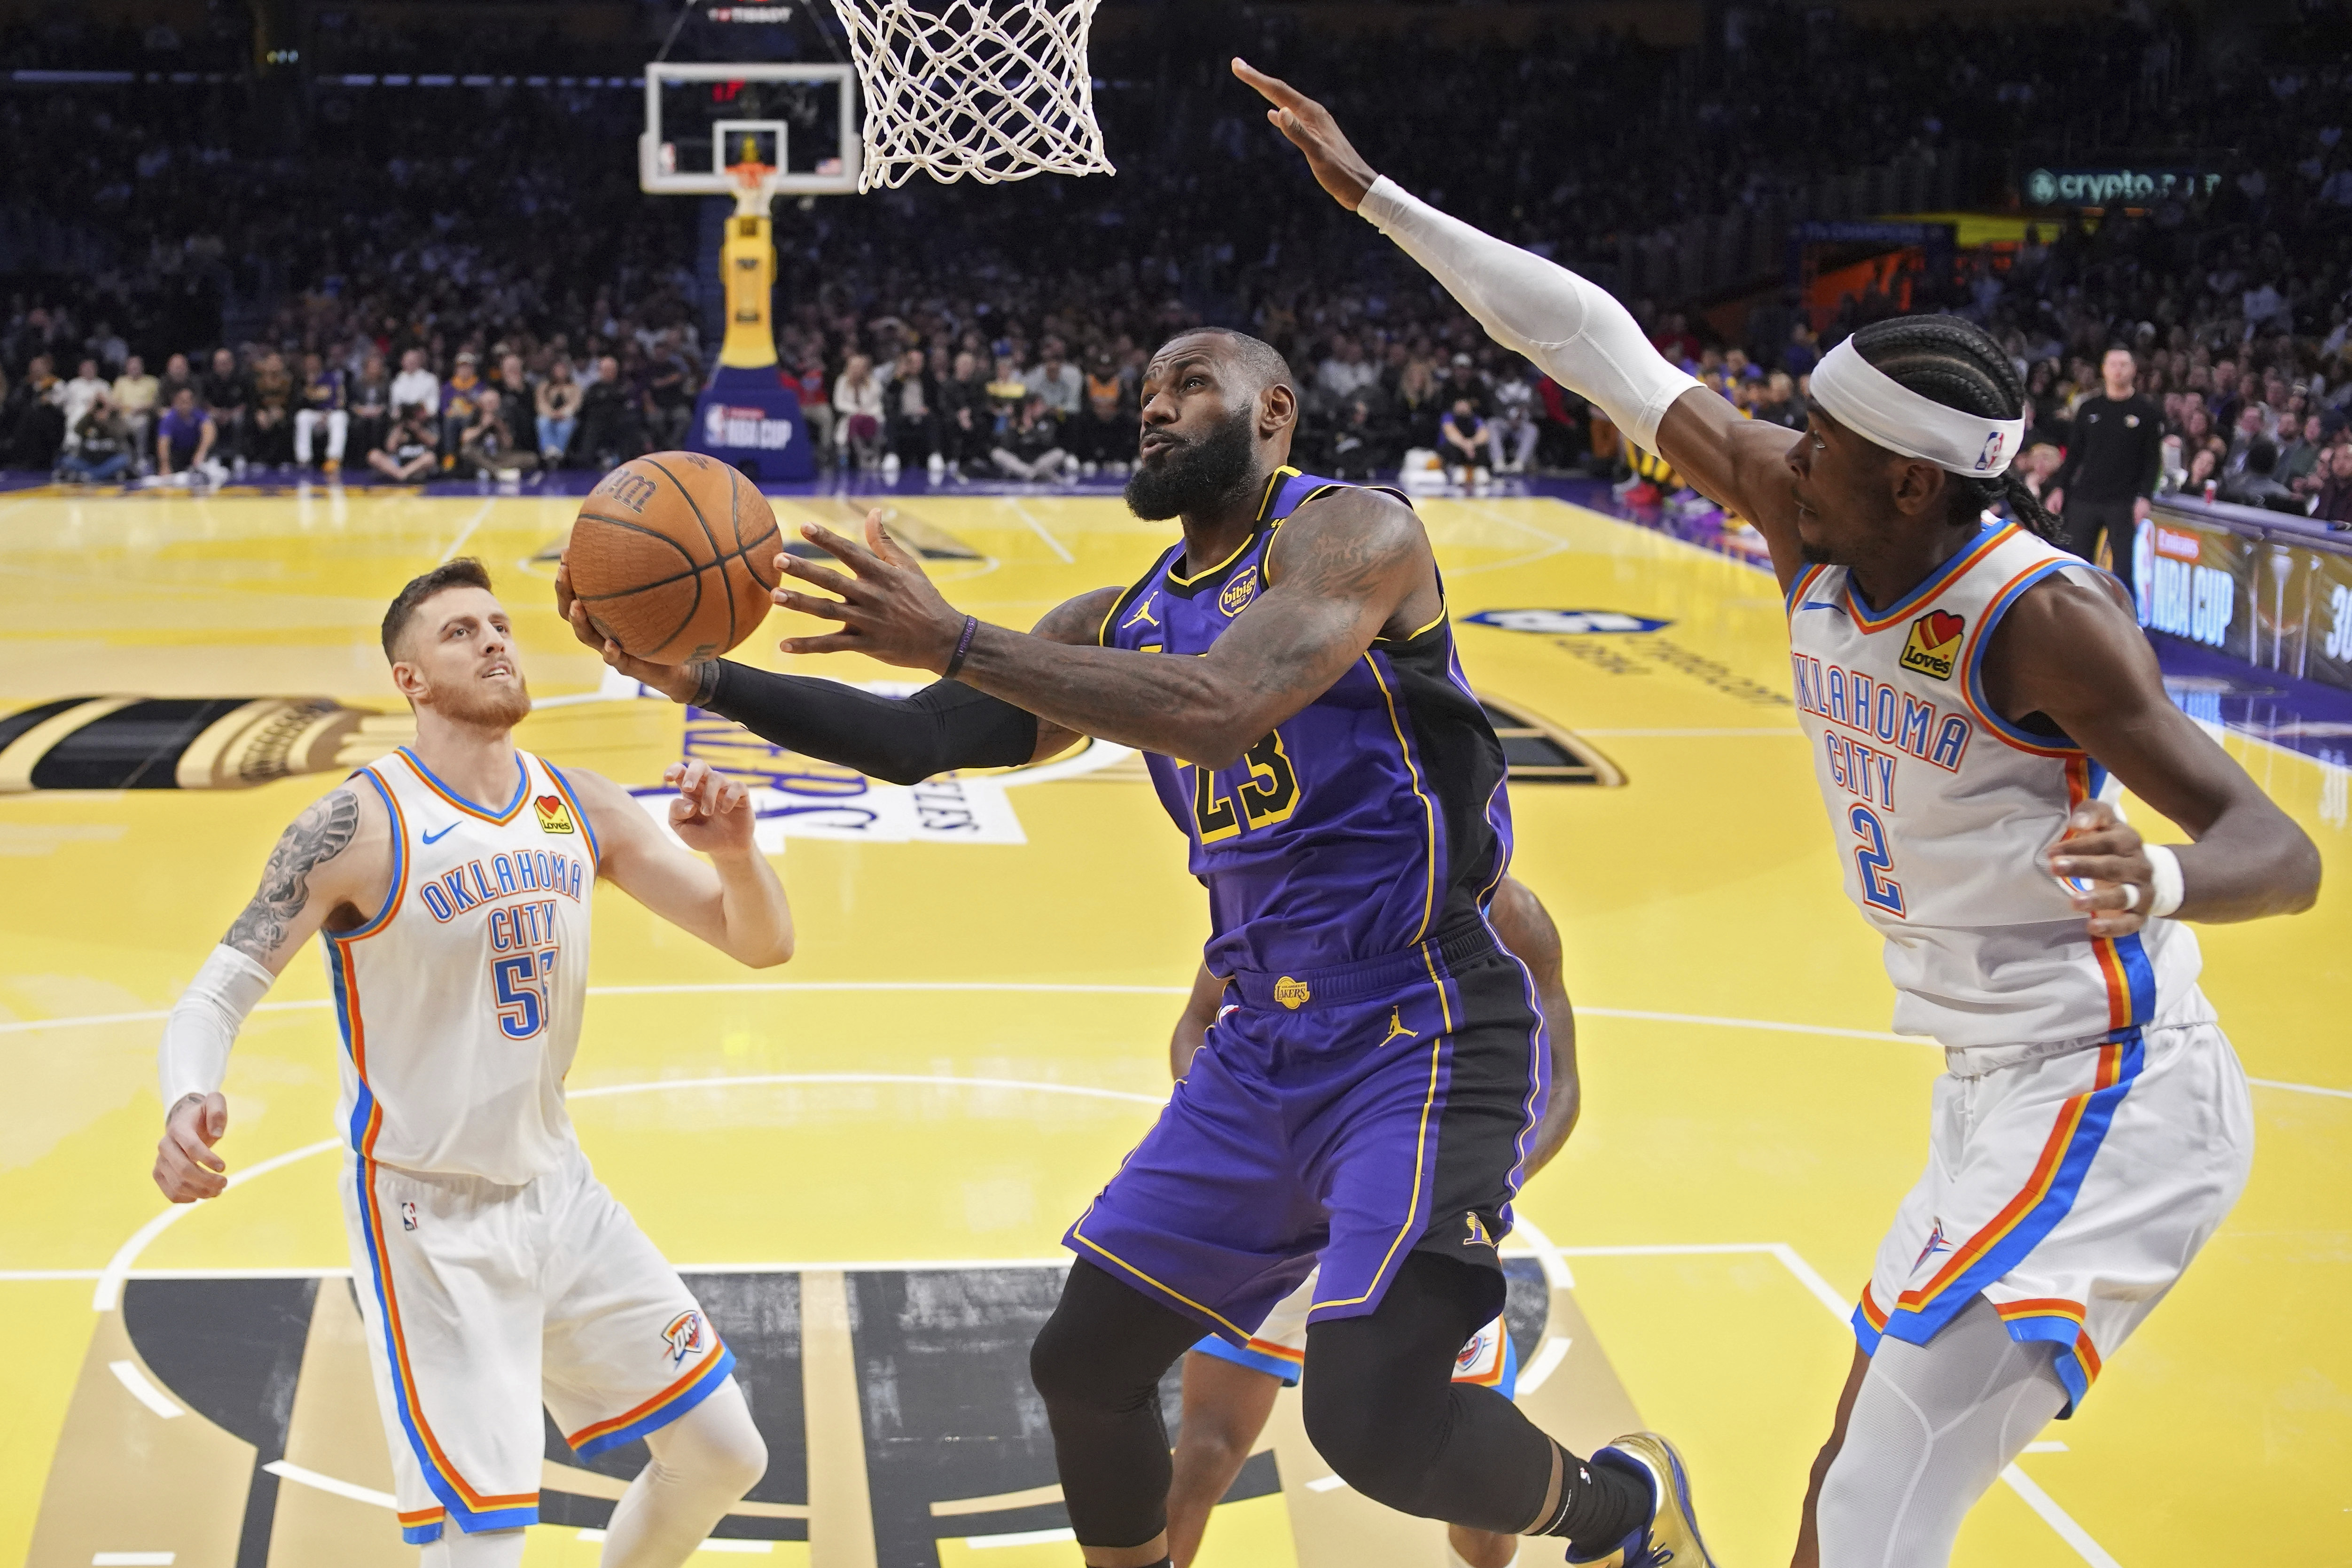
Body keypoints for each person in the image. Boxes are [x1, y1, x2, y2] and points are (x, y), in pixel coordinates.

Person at [1230, 58, 2321, 1568]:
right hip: (1984, 1082)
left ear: (1916, 489)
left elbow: (2286, 849)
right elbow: (1592, 339)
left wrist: (2164, 875)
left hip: (2112, 1080)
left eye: (1823, 450)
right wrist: (1381, 200)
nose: (1779, 462)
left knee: (1884, 1498)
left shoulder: (2043, 621)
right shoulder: (1816, 509)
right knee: (1843, 1480)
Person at [560, 321, 1706, 1568]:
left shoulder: (1354, 536)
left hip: (1419, 1023)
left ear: (1273, 415)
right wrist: (703, 681)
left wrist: (957, 635)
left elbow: (1220, 712)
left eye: (1191, 385)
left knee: (1367, 1418)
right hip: (1265, 1043)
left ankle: (1624, 1506)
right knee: (1083, 1366)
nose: (1152, 407)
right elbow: (922, 738)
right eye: (1147, 389)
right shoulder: (1119, 621)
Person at [149, 558, 791, 1568]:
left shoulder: (576, 803)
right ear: (410, 681)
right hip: (428, 1219)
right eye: (461, 633)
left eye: (500, 624)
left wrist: (738, 856)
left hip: (559, 1192)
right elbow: (215, 991)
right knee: (481, 1547)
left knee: (722, 1454)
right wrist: (189, 1094)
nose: (496, 640)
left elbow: (759, 941)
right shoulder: (354, 826)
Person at [1163, 874, 1579, 1568]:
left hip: (1422, 1227)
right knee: (1204, 1449)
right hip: (1285, 1216)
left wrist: (1472, 1188)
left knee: (1474, 1497)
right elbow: (1195, 1023)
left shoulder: (1511, 916)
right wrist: (1235, 1139)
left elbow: (1561, 1084)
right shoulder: (1296, 886)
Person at [2046, 348, 2162, 593]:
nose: (2118, 370)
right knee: (2077, 565)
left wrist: (2145, 497)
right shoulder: (2089, 408)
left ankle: (2129, 625)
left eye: (2124, 364)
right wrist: (2059, 488)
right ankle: (2079, 619)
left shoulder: (2146, 411)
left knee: (2123, 571)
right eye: (2113, 364)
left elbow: (2153, 460)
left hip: (2123, 502)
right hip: (2085, 498)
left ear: (2133, 370)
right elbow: (2074, 455)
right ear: (2104, 370)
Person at [990, 392, 1074, 483]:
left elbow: (1048, 441)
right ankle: (1032, 474)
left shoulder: (1047, 421)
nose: (1041, 408)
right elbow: (1006, 446)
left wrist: (1031, 429)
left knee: (1059, 453)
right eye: (1037, 406)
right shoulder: (1017, 422)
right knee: (997, 453)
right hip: (1021, 462)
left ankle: (1031, 474)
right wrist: (1014, 429)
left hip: (1040, 460)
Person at [153, 384, 226, 486]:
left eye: (189, 401)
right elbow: (163, 443)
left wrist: (201, 452)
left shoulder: (198, 414)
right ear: (175, 402)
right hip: (177, 454)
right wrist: (165, 465)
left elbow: (209, 431)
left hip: (195, 452)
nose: (185, 405)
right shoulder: (169, 419)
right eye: (182, 401)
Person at [457, 387, 536, 479]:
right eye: (489, 403)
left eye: (494, 403)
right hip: (481, 455)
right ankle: (499, 472)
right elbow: (465, 439)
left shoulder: (505, 415)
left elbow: (508, 445)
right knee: (466, 451)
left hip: (500, 456)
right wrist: (482, 427)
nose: (491, 406)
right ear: (482, 404)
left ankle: (489, 470)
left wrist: (501, 428)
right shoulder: (475, 415)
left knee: (532, 458)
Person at [59, 394, 133, 484]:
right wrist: (89, 412)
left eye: (103, 410)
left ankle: (92, 476)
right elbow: (77, 429)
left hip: (108, 463)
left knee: (123, 460)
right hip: (88, 462)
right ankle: (99, 476)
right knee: (68, 460)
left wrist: (110, 413)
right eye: (98, 410)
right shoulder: (88, 422)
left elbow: (123, 432)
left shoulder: (114, 422)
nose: (100, 413)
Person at [296, 351, 350, 473]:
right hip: (313, 415)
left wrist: (327, 413)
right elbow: (298, 404)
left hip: (330, 414)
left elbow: (340, 400)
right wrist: (309, 385)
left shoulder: (331, 377)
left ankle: (333, 459)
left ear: (320, 363)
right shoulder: (300, 381)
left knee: (341, 417)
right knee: (302, 417)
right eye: (309, 363)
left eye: (314, 362)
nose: (312, 365)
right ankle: (304, 460)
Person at [369, 402, 440, 482]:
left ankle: (403, 474)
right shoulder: (399, 426)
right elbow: (390, 448)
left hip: (417, 464)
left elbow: (433, 442)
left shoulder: (429, 424)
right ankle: (400, 474)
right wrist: (400, 426)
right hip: (399, 462)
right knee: (374, 455)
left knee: (430, 458)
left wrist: (417, 430)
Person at [113, 353, 161, 472]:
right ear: (127, 368)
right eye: (131, 367)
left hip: (143, 415)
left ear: (142, 367)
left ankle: (141, 458)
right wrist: (128, 408)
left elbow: (157, 402)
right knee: (115, 426)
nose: (134, 369)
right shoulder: (121, 382)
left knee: (142, 423)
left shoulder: (152, 382)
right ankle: (127, 459)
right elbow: (114, 403)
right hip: (124, 417)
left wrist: (142, 407)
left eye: (137, 367)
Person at [536, 359, 582, 467]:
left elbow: (575, 403)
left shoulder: (574, 387)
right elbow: (541, 402)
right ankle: (548, 451)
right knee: (542, 422)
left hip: (566, 417)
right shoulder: (545, 386)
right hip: (549, 415)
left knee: (565, 426)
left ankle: (559, 454)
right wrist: (551, 414)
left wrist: (563, 413)